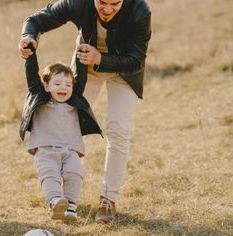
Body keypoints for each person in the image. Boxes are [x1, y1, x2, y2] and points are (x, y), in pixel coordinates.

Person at [18, 0, 152, 222]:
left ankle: (107, 200)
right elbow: (36, 19)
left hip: (124, 72)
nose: (107, 9)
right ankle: (60, 196)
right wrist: (28, 36)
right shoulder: (78, 3)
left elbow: (137, 60)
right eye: (102, 2)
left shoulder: (140, 10)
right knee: (68, 124)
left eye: (115, 3)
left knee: (118, 131)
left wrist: (101, 58)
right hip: (84, 68)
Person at [20, 44, 102, 222]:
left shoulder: (74, 101)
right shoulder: (39, 97)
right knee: (50, 175)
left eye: (67, 84)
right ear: (46, 86)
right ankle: (56, 202)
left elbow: (81, 76)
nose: (63, 88)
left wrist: (83, 50)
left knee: (74, 174)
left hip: (70, 149)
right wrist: (30, 54)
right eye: (57, 84)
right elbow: (32, 75)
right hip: (45, 149)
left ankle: (71, 206)